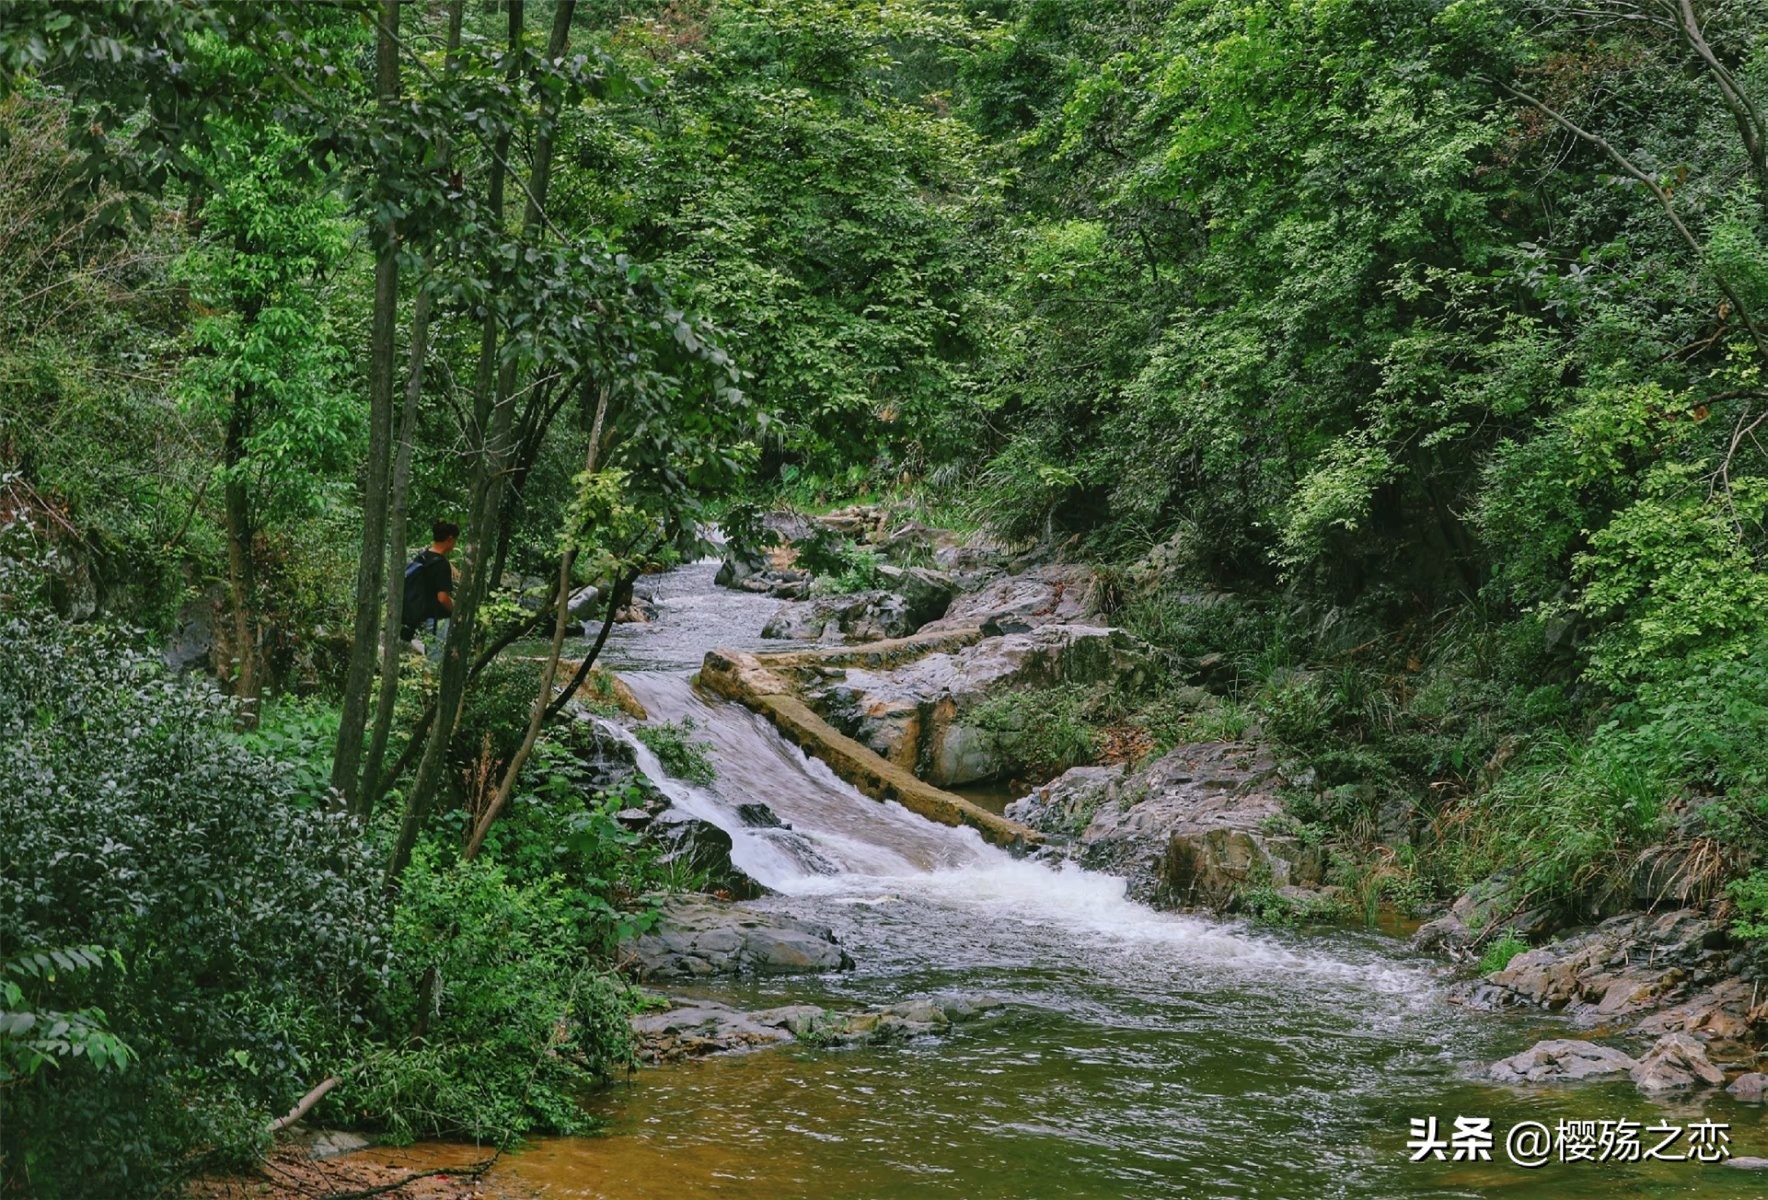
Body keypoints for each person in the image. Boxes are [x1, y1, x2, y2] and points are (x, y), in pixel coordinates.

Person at [401, 520, 458, 651]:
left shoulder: (422, 557)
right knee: (435, 657)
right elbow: (442, 598)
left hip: (424, 617)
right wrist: (455, 609)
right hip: (438, 620)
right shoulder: (442, 564)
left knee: (430, 655)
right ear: (450, 539)